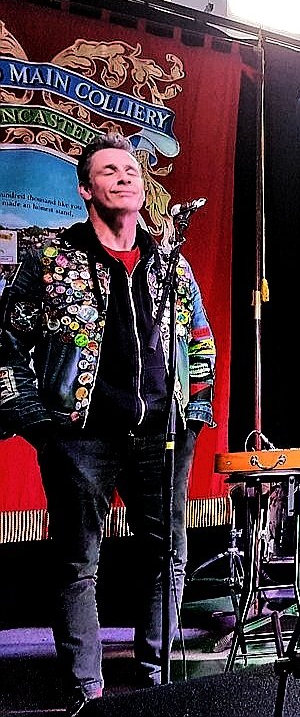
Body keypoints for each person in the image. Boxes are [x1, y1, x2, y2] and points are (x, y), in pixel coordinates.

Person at [0, 133, 216, 714]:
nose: (125, 177)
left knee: (168, 554)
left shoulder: (169, 263)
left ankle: (155, 681)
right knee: (78, 563)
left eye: (131, 170)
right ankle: (87, 692)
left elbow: (200, 340)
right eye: (109, 171)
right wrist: (39, 423)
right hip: (81, 437)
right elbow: (7, 345)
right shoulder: (50, 259)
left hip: (161, 434)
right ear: (84, 189)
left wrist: (194, 416)